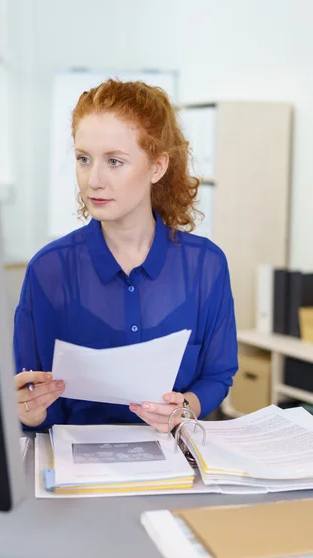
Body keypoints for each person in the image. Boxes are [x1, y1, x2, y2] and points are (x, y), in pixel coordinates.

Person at [14, 79, 238, 433]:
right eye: (83, 159)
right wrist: (28, 411)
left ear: (157, 167)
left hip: (178, 468)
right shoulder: (48, 269)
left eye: (114, 161)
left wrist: (185, 408)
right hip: (76, 473)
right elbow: (30, 393)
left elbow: (217, 376)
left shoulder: (206, 265)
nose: (93, 180)